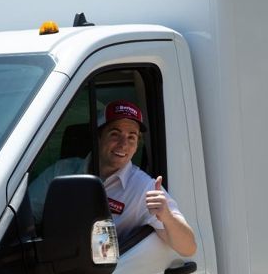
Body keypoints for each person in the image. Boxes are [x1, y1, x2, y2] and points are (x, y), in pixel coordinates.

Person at [29, 100, 196, 257]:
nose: (123, 144)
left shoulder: (145, 188)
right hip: (51, 265)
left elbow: (188, 248)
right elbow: (25, 218)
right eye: (115, 134)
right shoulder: (60, 171)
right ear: (98, 137)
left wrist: (167, 217)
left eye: (132, 137)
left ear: (137, 145)